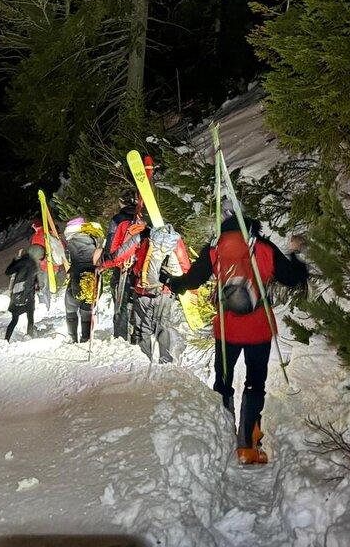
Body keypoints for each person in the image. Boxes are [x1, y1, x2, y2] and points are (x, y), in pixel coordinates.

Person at [165, 211, 308, 465]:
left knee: (223, 381)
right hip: (258, 329)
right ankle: (248, 447)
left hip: (227, 328)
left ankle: (222, 439)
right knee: (255, 384)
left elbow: (191, 281)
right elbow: (292, 277)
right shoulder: (263, 247)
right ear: (252, 227)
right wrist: (296, 255)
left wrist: (171, 281)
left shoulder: (215, 248)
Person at [130, 222, 191, 364]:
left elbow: (137, 267)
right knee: (163, 326)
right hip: (165, 292)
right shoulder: (175, 241)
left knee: (143, 328)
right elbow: (185, 267)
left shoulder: (147, 240)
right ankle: (165, 360)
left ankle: (146, 361)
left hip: (144, 292)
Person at [98, 190, 144, 341]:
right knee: (138, 300)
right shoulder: (142, 218)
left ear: (122, 202)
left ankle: (121, 336)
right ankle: (137, 335)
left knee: (121, 301)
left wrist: (105, 262)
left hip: (122, 265)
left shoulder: (118, 220)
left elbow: (112, 244)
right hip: (140, 266)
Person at [64, 217, 105, 343]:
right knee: (87, 308)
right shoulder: (96, 239)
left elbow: (66, 260)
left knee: (71, 307)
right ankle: (85, 337)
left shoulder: (71, 243)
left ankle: (72, 337)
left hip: (77, 278)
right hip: (93, 277)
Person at [4, 247, 40, 341]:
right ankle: (29, 336)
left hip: (18, 293)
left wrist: (15, 261)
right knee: (30, 317)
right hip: (25, 294)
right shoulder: (31, 263)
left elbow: (9, 272)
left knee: (15, 319)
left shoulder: (24, 261)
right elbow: (30, 279)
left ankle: (6, 339)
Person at [30, 219, 67, 310]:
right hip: (54, 264)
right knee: (48, 285)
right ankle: (52, 300)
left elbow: (35, 252)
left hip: (43, 266)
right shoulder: (51, 233)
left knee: (43, 287)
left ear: (35, 226)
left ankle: (45, 306)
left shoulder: (37, 236)